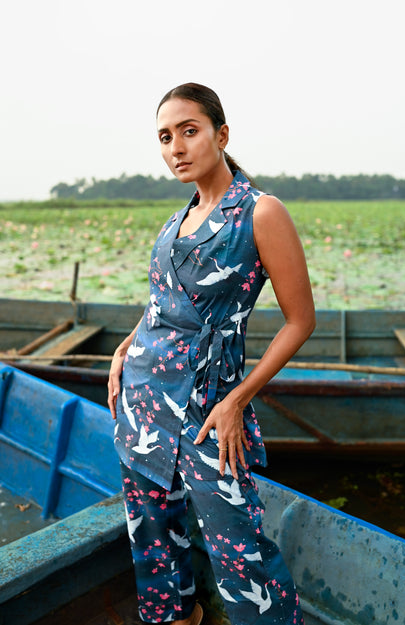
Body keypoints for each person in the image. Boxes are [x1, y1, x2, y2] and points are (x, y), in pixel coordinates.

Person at [108, 82, 315, 625]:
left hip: (208, 408)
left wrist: (239, 399)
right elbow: (165, 302)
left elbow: (301, 320)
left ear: (221, 135)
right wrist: (126, 347)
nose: (176, 147)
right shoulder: (175, 222)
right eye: (164, 137)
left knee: (241, 556)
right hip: (142, 402)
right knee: (153, 537)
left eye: (189, 131)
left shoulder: (260, 213)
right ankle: (178, 617)